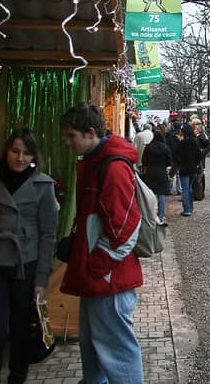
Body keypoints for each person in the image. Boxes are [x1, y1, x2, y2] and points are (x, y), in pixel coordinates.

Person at [60, 103, 144, 383]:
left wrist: (97, 264)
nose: (67, 141)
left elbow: (125, 228)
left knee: (117, 354)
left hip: (108, 278)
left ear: (91, 132)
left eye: (71, 135)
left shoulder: (112, 167)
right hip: (103, 276)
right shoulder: (101, 162)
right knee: (97, 350)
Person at [0, 128, 59, 384]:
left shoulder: (43, 186)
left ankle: (17, 378)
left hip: (27, 267)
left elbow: (47, 235)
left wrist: (42, 278)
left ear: (34, 156)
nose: (20, 158)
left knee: (21, 332)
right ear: (6, 151)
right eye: (15, 151)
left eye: (26, 153)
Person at [171, 124, 203, 217]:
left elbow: (175, 156)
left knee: (185, 189)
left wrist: (180, 164)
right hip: (193, 168)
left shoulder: (181, 143)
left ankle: (187, 209)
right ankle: (190, 208)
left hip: (184, 169)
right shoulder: (195, 142)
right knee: (189, 188)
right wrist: (195, 164)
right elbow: (199, 156)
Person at [142, 130, 172, 223]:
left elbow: (144, 161)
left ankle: (151, 214)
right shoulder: (165, 148)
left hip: (150, 172)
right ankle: (161, 215)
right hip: (161, 172)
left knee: (150, 194)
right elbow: (169, 162)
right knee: (161, 194)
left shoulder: (148, 147)